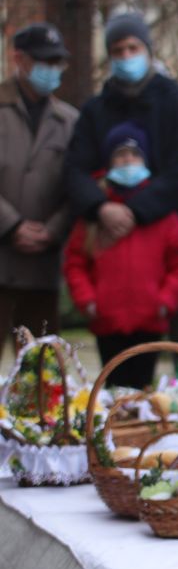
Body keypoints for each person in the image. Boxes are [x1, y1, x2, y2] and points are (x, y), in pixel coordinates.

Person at [64, 13, 178, 384]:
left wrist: (133, 211)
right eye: (117, 50)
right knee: (117, 377)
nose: (126, 56)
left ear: (147, 49)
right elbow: (74, 171)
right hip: (109, 246)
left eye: (133, 48)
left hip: (170, 235)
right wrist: (102, 208)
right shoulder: (96, 110)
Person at [63, 123, 178, 388]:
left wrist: (164, 301)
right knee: (113, 390)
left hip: (149, 319)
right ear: (109, 162)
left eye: (134, 155)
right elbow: (75, 262)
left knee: (143, 392)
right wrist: (88, 300)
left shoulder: (161, 212)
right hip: (107, 319)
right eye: (120, 155)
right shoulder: (95, 213)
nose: (128, 160)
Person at [0, 23, 77, 361]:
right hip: (2, 256)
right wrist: (12, 225)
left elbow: (78, 186)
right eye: (44, 61)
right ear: (18, 58)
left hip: (42, 268)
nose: (51, 70)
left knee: (42, 376)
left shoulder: (69, 121)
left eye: (57, 62)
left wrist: (53, 230)